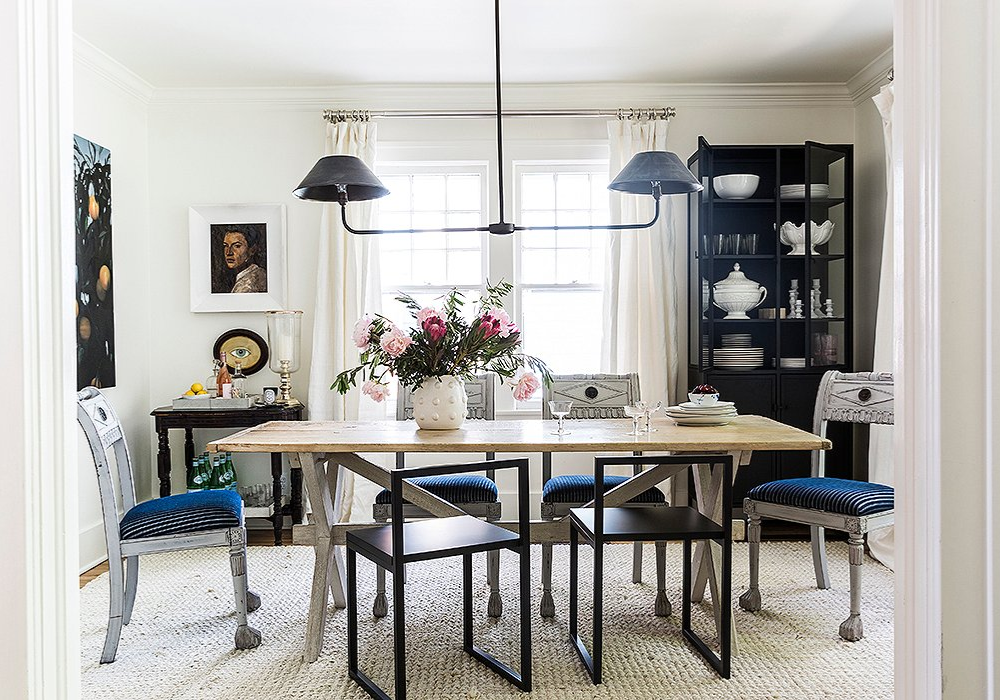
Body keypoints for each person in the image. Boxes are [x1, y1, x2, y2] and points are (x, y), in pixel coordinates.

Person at [222, 226, 267, 293]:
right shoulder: (258, 273)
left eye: (237, 246)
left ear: (252, 250)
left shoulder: (248, 285)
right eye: (226, 246)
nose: (228, 252)